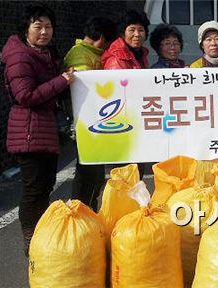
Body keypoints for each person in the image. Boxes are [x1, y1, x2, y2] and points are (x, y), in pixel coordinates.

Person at [1, 4, 75, 256]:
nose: (44, 32)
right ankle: (30, 241)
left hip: (45, 130)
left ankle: (40, 237)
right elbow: (25, 95)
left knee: (45, 185)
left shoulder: (44, 53)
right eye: (38, 26)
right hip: (29, 131)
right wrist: (61, 80)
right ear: (26, 28)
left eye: (48, 26)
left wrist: (66, 81)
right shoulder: (19, 55)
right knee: (34, 189)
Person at [63, 16, 116, 211]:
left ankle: (86, 209)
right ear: (101, 38)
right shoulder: (79, 54)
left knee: (92, 172)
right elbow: (85, 88)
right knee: (88, 172)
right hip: (86, 123)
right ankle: (80, 210)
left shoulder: (87, 52)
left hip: (93, 122)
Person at [102, 10, 151, 178]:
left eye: (141, 30)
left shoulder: (140, 54)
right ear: (123, 32)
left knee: (136, 174)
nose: (137, 34)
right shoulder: (116, 59)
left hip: (138, 123)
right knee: (126, 176)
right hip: (125, 126)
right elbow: (117, 97)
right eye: (132, 30)